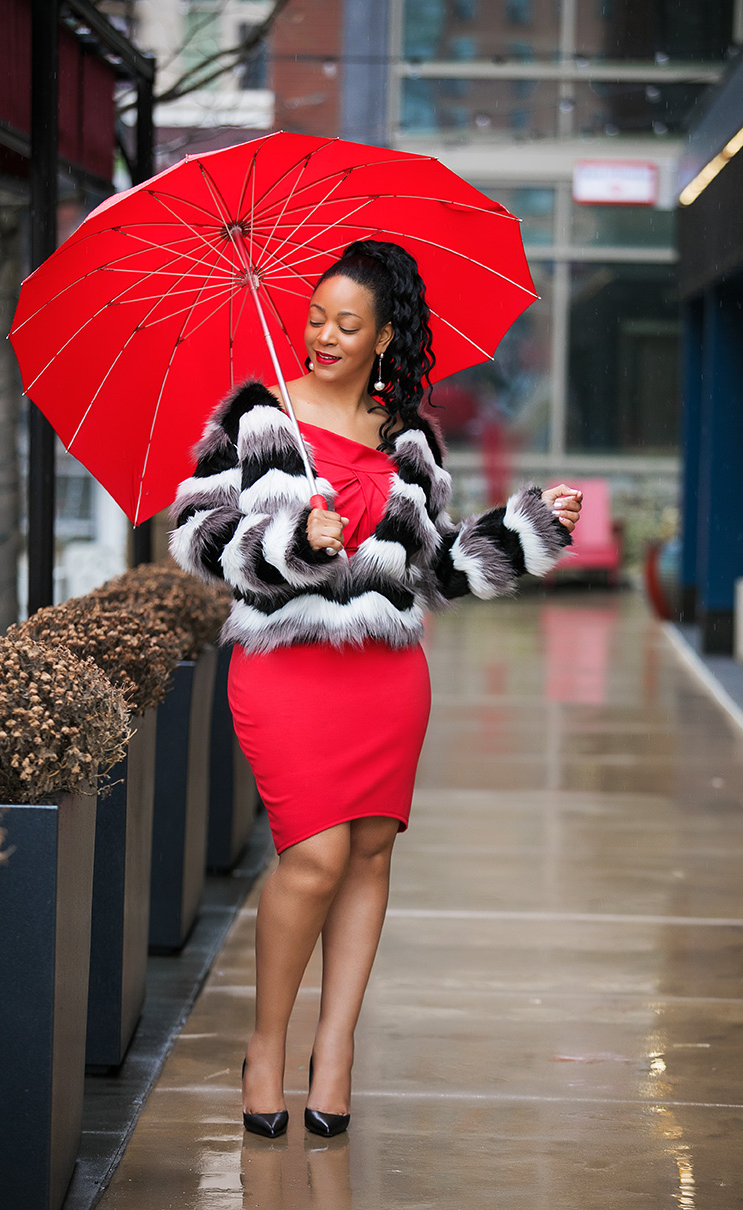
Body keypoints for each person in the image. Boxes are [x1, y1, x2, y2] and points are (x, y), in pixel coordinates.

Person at [169, 240, 582, 1140]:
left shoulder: (410, 439)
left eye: (346, 325)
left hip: (387, 679)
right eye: (315, 318)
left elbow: (437, 571)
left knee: (368, 858)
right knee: (312, 859)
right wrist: (292, 545)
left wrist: (531, 527)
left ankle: (337, 1052)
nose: (322, 336)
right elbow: (199, 536)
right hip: (285, 669)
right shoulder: (256, 417)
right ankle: (267, 1048)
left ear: (386, 336)